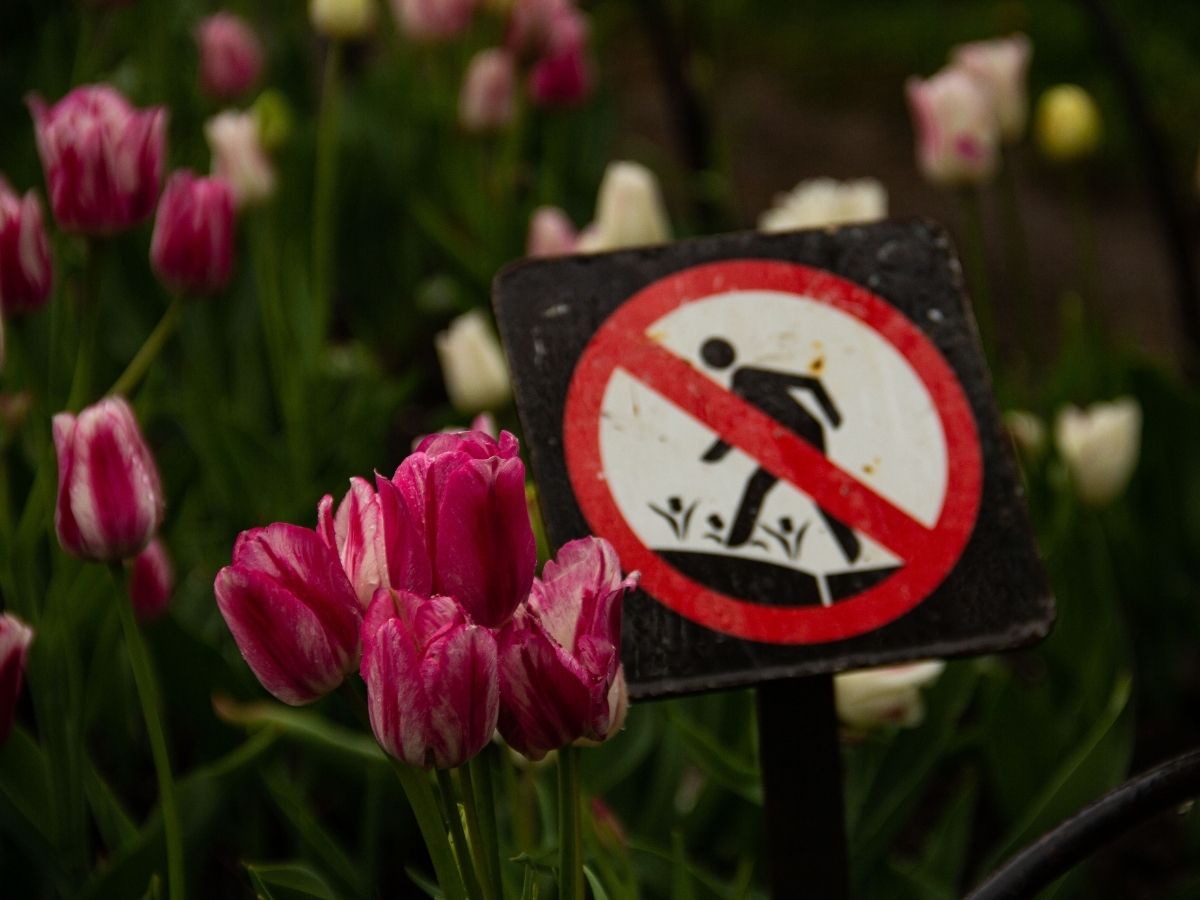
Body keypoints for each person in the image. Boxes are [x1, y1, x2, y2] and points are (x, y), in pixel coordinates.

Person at [699, 337, 860, 561]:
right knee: (770, 486)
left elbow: (809, 381)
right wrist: (714, 455)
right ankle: (850, 549)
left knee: (781, 486)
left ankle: (735, 544)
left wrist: (834, 416)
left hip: (801, 436)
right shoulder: (742, 379)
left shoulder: (745, 377)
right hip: (796, 437)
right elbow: (739, 425)